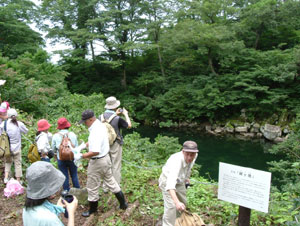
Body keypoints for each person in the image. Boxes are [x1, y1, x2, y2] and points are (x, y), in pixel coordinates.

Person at [78, 109, 128, 217]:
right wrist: (84, 145)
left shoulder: (95, 131)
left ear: (91, 119)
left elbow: (95, 151)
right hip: (106, 159)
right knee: (111, 181)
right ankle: (123, 204)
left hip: (97, 162)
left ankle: (93, 210)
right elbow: (95, 142)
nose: (85, 124)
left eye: (85, 121)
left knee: (92, 186)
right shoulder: (100, 125)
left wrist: (81, 156)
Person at [23, 161, 78, 226]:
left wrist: (57, 208)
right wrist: (71, 213)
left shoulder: (26, 209)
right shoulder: (50, 220)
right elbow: (49, 220)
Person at [159, 141, 199, 226]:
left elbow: (189, 166)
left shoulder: (194, 156)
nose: (189, 157)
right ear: (183, 151)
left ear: (195, 153)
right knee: (172, 207)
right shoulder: (176, 162)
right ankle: (168, 224)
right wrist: (176, 203)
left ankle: (179, 222)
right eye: (187, 154)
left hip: (180, 180)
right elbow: (170, 185)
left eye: (192, 155)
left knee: (183, 203)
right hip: (167, 181)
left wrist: (187, 178)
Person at [102, 96, 131, 186]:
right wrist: (126, 114)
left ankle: (105, 186)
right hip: (115, 143)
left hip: (104, 144)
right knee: (116, 165)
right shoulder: (117, 119)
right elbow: (129, 125)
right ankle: (116, 186)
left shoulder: (100, 117)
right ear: (115, 107)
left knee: (107, 165)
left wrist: (116, 114)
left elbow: (109, 122)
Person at [52, 117, 80, 191]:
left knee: (64, 176)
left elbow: (53, 148)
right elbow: (76, 147)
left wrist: (56, 153)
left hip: (61, 158)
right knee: (74, 174)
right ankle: (77, 191)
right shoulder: (73, 134)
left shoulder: (55, 136)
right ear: (67, 125)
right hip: (72, 158)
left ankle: (66, 193)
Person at [1, 108, 28, 184]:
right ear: (16, 115)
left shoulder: (4, 124)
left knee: (8, 162)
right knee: (18, 164)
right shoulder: (19, 124)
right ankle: (18, 181)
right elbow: (26, 131)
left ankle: (6, 178)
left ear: (8, 115)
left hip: (7, 148)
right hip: (17, 148)